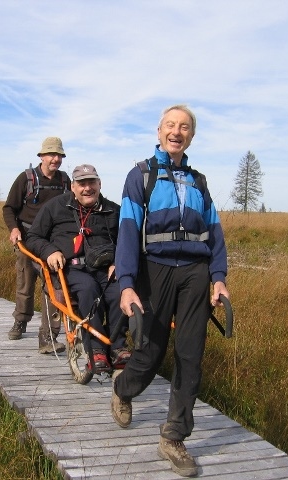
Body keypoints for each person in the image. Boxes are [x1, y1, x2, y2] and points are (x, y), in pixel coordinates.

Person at [111, 105, 230, 477]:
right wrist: (127, 285)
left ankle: (174, 437)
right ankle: (124, 388)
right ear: (159, 132)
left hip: (194, 273)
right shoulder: (141, 175)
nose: (177, 132)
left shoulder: (200, 182)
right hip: (156, 270)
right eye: (170, 126)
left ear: (191, 136)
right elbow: (129, 229)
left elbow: (215, 233)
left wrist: (219, 277)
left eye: (184, 127)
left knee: (191, 355)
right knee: (151, 350)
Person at [25, 164, 130, 371]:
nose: (87, 188)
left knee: (120, 293)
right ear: (73, 187)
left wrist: (120, 262)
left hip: (106, 269)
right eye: (81, 184)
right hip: (72, 270)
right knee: (88, 289)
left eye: (91, 182)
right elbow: (33, 237)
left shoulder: (113, 211)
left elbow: (127, 242)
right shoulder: (55, 207)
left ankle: (118, 347)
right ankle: (97, 350)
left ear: (100, 184)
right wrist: (49, 251)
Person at [2, 137, 71, 353]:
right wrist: (14, 229)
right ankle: (21, 321)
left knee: (53, 285)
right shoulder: (26, 178)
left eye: (59, 155)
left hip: (50, 242)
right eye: (51, 154)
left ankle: (48, 337)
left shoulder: (65, 181)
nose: (55, 159)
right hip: (26, 237)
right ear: (41, 156)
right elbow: (9, 208)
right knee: (25, 281)